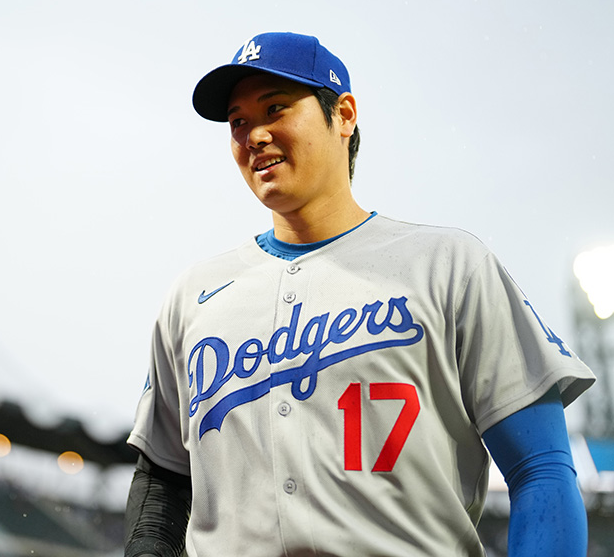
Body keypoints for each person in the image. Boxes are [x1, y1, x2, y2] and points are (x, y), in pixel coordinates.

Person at [123, 32, 596, 557]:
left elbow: (541, 469)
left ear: (343, 114)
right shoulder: (194, 295)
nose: (254, 134)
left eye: (275, 108)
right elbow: (161, 481)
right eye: (238, 121)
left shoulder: (449, 264)